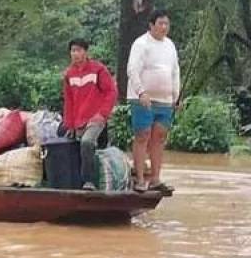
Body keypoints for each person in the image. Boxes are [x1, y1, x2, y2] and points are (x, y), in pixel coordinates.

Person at [127, 10, 180, 194]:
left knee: (159, 137)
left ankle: (156, 178)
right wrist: (141, 92)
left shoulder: (170, 45)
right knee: (142, 136)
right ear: (151, 25)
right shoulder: (141, 44)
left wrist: (176, 95)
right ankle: (140, 179)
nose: (164, 27)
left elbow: (175, 72)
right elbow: (132, 69)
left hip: (165, 101)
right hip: (143, 99)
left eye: (167, 24)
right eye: (160, 23)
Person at [62, 38, 117, 191]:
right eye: (73, 51)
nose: (76, 54)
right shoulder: (69, 74)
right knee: (66, 144)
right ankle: (73, 181)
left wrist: (103, 114)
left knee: (86, 142)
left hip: (96, 118)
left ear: (86, 52)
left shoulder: (98, 69)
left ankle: (89, 181)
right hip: (78, 121)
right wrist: (70, 125)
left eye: (79, 50)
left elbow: (111, 92)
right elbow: (69, 102)